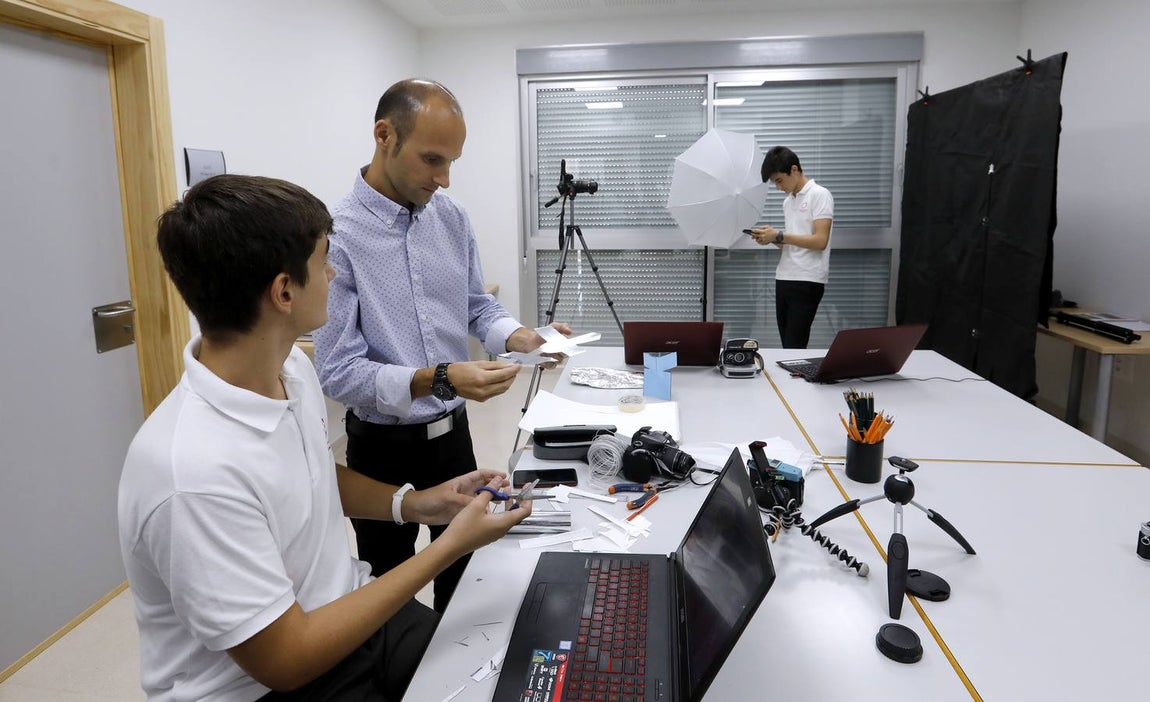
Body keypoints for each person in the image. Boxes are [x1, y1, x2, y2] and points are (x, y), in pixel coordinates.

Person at [118, 174, 531, 702]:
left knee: (503, 675)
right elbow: (287, 661)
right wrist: (451, 546)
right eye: (323, 261)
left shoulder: (288, 367)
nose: (334, 272)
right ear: (284, 291)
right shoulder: (190, 474)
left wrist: (419, 504)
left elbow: (307, 472)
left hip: (350, 614)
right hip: (270, 682)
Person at [313, 78, 568, 611]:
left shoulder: (450, 218)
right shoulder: (337, 234)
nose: (444, 179)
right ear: (385, 135)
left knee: (466, 573)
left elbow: (477, 305)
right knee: (389, 589)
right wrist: (442, 376)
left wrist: (524, 337)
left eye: (452, 161)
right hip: (380, 450)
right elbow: (337, 372)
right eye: (433, 160)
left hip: (453, 438)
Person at [748, 146, 834, 349]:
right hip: (784, 277)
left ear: (793, 170)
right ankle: (789, 378)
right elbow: (794, 241)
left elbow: (820, 241)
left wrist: (779, 235)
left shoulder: (819, 194)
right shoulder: (788, 202)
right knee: (787, 345)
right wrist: (772, 239)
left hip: (807, 280)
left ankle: (796, 379)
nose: (778, 187)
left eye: (779, 180)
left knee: (795, 345)